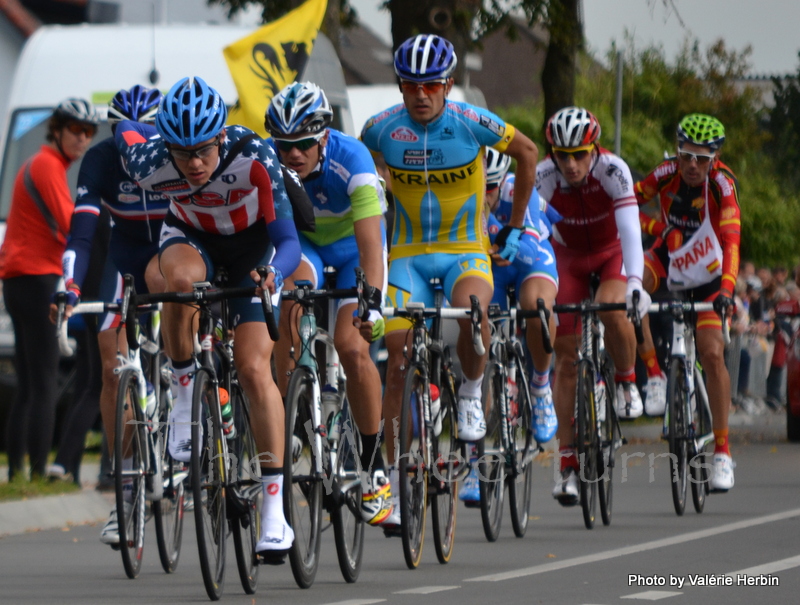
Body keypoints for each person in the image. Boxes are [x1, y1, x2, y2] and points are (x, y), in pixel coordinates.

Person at [115, 76, 302, 556]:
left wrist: (273, 275)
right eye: (182, 153)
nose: (194, 164)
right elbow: (125, 132)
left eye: (202, 150)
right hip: (191, 237)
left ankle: (274, 510)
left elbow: (288, 243)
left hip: (252, 246)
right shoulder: (149, 162)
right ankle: (182, 398)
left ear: (220, 137)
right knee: (177, 283)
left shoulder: (254, 155)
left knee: (255, 368)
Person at [360, 34, 539, 528]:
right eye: (411, 85)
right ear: (400, 86)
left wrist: (516, 224)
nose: (421, 94)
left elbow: (528, 152)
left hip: (465, 252)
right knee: (396, 360)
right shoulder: (380, 130)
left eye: (432, 85)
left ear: (449, 85)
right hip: (409, 256)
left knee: (475, 316)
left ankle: (469, 391)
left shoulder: (470, 122)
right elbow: (358, 170)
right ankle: (392, 487)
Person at [265, 81, 393, 526]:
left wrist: (371, 305)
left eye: (303, 144)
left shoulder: (351, 158)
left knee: (353, 347)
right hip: (307, 248)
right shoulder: (270, 159)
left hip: (355, 250)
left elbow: (372, 248)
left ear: (323, 136)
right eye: (284, 145)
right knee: (290, 300)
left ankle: (375, 467)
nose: (293, 154)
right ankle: (292, 410)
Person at [49, 85, 170, 545]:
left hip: (171, 248)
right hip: (124, 256)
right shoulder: (99, 160)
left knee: (171, 288)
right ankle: (125, 494)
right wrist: (69, 287)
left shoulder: (175, 153)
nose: (133, 141)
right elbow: (80, 236)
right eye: (124, 132)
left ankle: (186, 398)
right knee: (111, 370)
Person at [535, 106, 650, 506]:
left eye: (579, 154)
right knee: (566, 360)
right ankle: (567, 466)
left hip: (609, 252)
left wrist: (635, 283)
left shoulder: (614, 171)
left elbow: (631, 232)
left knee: (612, 308)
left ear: (594, 150)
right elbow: (535, 233)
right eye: (561, 155)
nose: (570, 164)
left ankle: (625, 379)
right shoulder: (544, 176)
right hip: (567, 257)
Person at [634, 113, 740, 491]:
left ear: (715, 158)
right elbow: (627, 206)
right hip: (672, 257)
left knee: (711, 354)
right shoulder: (664, 173)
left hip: (711, 272)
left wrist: (727, 291)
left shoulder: (723, 186)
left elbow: (731, 242)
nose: (692, 165)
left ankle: (723, 453)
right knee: (632, 290)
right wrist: (657, 228)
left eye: (701, 158)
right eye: (685, 156)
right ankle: (656, 377)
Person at [0, 98, 99, 481]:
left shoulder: (39, 163)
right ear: (57, 129)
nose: (83, 138)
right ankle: (39, 472)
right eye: (75, 129)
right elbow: (70, 220)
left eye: (89, 132)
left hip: (18, 279)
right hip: (36, 279)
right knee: (42, 381)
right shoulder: (46, 165)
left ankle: (16, 471)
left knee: (28, 383)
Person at [459, 148, 559, 506]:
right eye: (480, 187)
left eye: (492, 187)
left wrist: (507, 241)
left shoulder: (521, 189)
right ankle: (473, 464)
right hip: (489, 270)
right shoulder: (461, 194)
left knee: (537, 307)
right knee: (477, 345)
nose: (486, 194)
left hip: (528, 260)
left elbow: (534, 239)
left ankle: (540, 386)